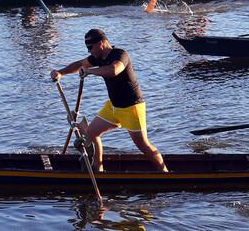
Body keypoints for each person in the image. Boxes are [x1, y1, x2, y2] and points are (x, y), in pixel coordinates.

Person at [50, 29, 168, 173]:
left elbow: (114, 70)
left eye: (90, 47)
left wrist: (90, 71)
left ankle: (165, 173)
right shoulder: (97, 57)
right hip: (113, 107)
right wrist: (60, 72)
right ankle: (98, 170)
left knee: (143, 145)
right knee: (91, 134)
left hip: (132, 108)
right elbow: (80, 64)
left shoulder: (120, 54)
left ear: (101, 43)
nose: (89, 51)